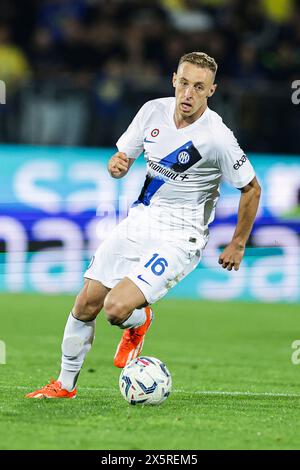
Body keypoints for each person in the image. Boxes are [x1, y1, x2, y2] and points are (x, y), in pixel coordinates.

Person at [26, 52, 261, 399]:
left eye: (199, 87)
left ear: (212, 90)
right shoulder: (152, 110)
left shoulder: (217, 138)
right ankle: (64, 384)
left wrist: (238, 242)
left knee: (116, 309)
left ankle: (138, 321)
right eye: (183, 83)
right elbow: (121, 160)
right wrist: (116, 166)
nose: (188, 93)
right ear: (173, 80)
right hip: (140, 220)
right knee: (86, 303)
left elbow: (251, 188)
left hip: (181, 235)